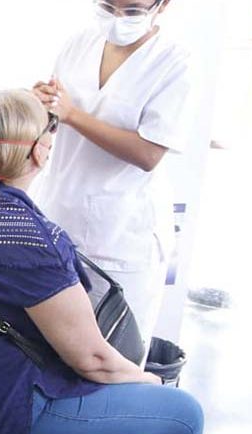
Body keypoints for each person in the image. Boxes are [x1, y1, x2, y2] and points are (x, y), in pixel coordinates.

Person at [0, 89, 202, 434]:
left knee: (120, 385)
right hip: (14, 409)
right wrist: (148, 380)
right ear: (40, 151)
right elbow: (93, 360)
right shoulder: (31, 239)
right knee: (185, 415)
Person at [30, 0, 194, 349]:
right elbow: (56, 119)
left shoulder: (174, 63)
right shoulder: (79, 44)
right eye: (108, 6)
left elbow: (148, 154)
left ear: (162, 5)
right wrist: (41, 105)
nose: (118, 18)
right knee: (53, 353)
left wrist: (73, 115)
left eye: (132, 10)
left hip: (121, 235)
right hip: (59, 215)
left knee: (113, 357)